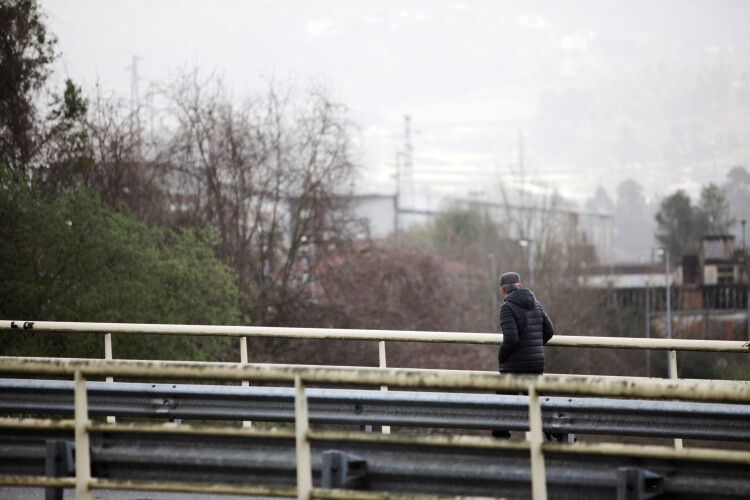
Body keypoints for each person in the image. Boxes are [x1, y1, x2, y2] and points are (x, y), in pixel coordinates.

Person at [492, 271, 554, 439]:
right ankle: (556, 432)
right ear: (520, 286)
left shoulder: (507, 307)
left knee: (502, 407)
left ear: (503, 291)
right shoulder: (536, 303)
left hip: (514, 366)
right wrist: (533, 347)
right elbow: (549, 331)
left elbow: (511, 339)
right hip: (535, 364)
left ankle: (500, 443)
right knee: (538, 405)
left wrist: (501, 358)